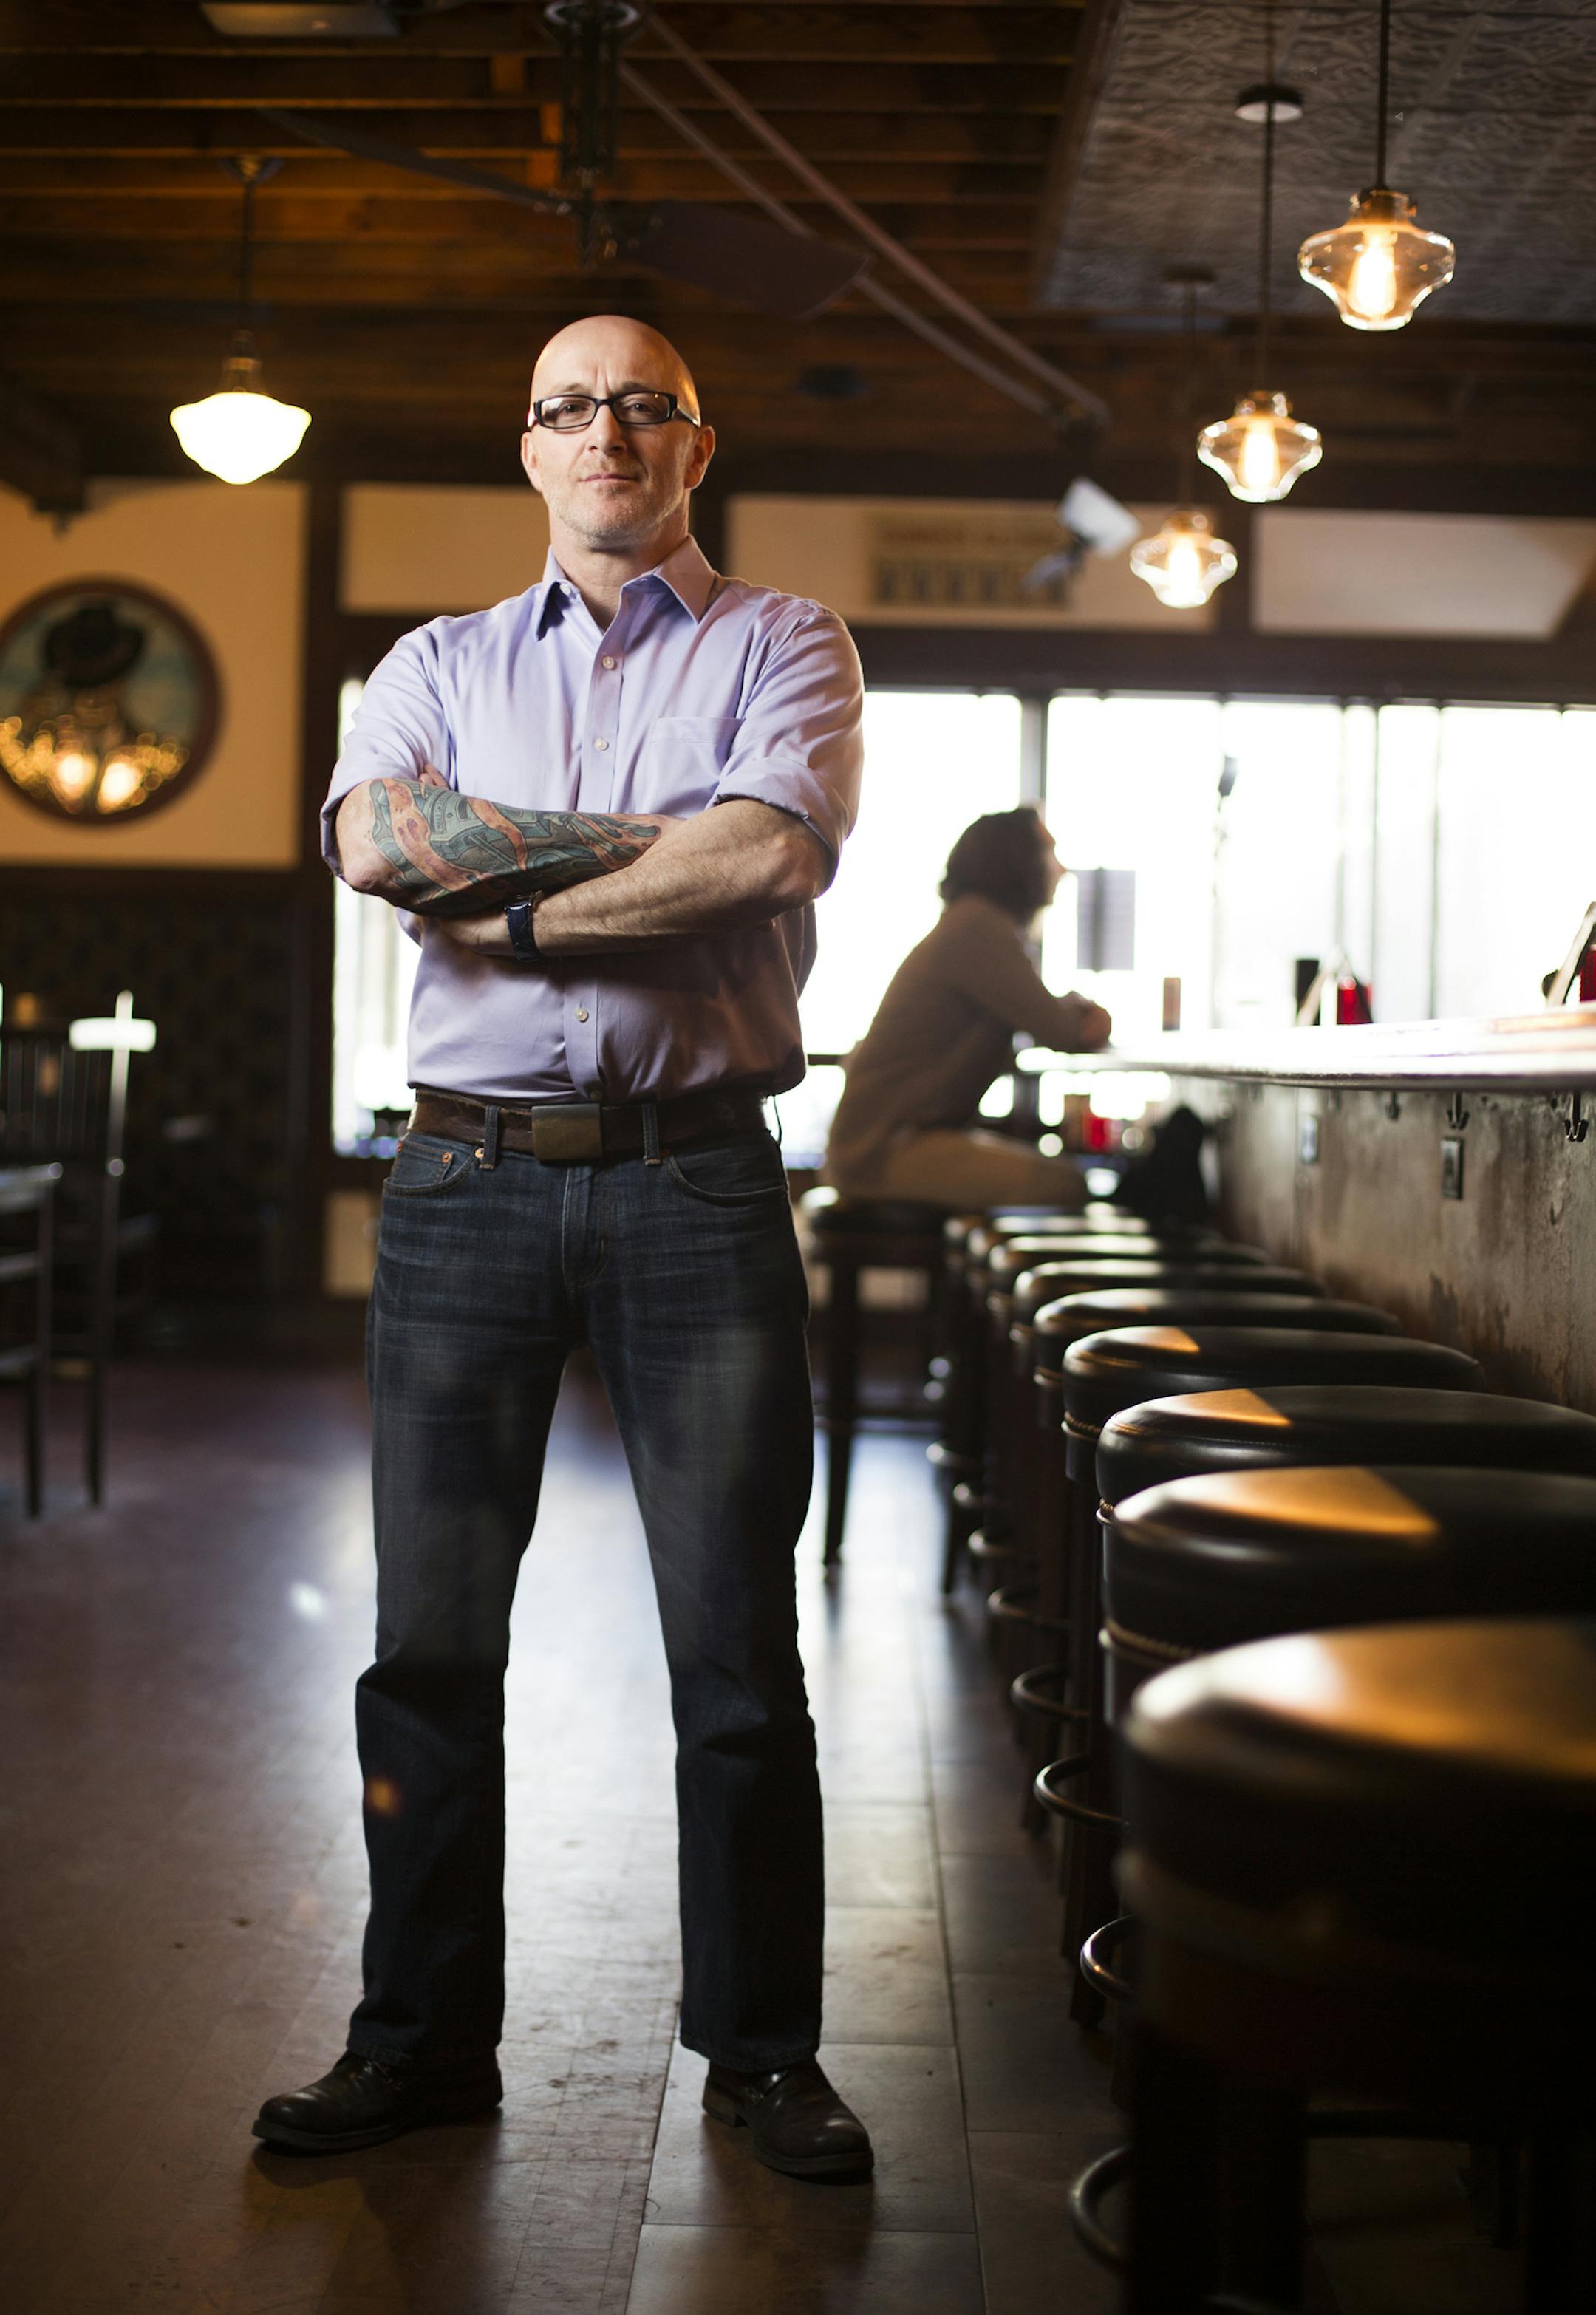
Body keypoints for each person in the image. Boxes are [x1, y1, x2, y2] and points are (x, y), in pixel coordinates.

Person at [252, 315, 873, 2181]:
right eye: (569, 406)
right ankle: (419, 2040)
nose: (607, 430)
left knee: (736, 1648)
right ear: (527, 446)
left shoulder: (787, 641)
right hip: (464, 1184)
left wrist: (511, 906)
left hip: (700, 1181)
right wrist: (647, 848)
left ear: (696, 443)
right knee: (427, 1648)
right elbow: (382, 844)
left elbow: (767, 858)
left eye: (642, 404)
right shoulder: (429, 664)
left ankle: (763, 2054)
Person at [825, 806, 1112, 1210]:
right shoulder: (979, 927)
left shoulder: (972, 923)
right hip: (882, 1152)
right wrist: (1090, 1015)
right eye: (1049, 852)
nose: (1062, 870)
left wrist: (1070, 1010)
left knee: (1057, 1176)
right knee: (1069, 1184)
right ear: (1017, 860)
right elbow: (1062, 1031)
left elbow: (1039, 1011)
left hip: (883, 1144)